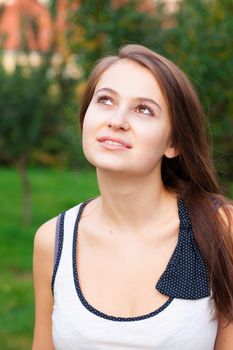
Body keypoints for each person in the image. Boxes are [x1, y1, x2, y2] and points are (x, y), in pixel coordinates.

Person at [32, 44, 233, 350]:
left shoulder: (221, 228)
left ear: (173, 143)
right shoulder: (53, 240)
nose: (117, 120)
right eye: (105, 100)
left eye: (143, 109)